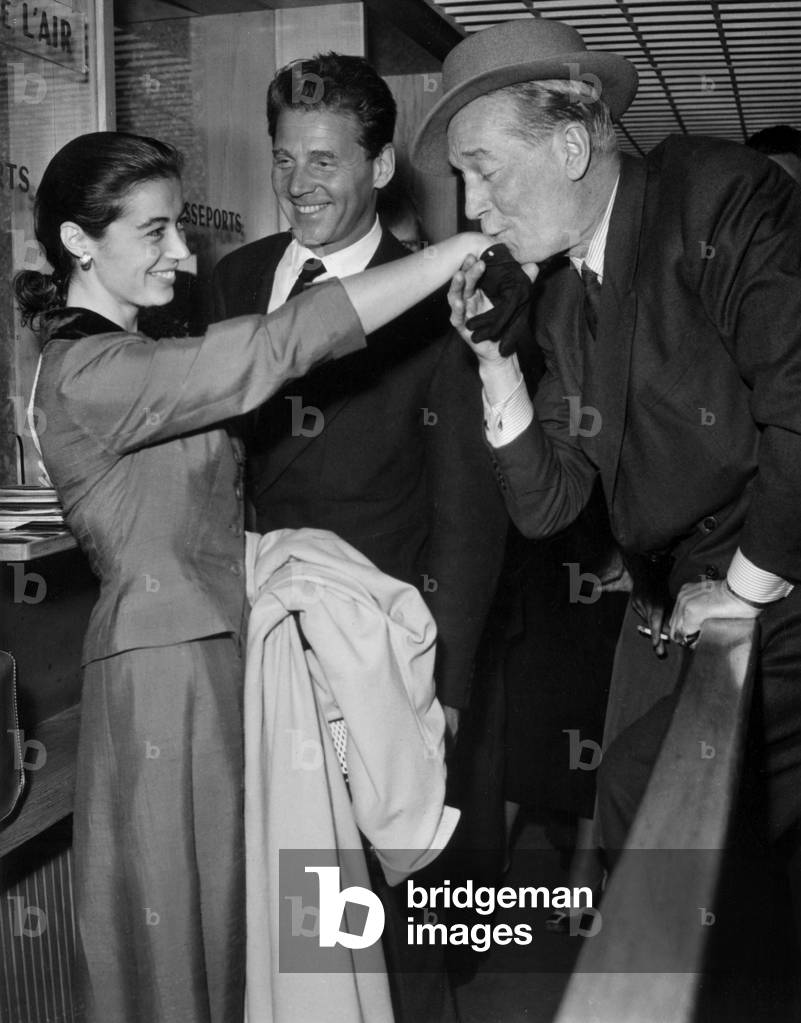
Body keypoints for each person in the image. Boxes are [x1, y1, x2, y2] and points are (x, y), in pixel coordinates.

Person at [14, 129, 490, 1023]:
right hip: (166, 673)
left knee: (242, 924)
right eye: (154, 232)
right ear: (79, 242)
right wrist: (452, 254)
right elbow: (275, 347)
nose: (183, 253)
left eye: (178, 230)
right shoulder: (89, 372)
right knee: (184, 933)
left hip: (216, 656)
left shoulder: (138, 353)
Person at [411, 18, 801, 883]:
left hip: (777, 579)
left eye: (486, 170)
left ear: (574, 145)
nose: (473, 206)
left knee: (641, 801)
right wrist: (494, 358)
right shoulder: (557, 297)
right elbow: (546, 503)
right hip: (689, 607)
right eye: (462, 180)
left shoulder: (718, 196)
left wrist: (740, 592)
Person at [213, 52, 506, 751]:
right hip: (246, 640)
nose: (297, 186)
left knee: (343, 856)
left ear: (379, 168)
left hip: (373, 651)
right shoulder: (234, 279)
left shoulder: (443, 300)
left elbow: (468, 513)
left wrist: (445, 680)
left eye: (322, 162)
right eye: (283, 161)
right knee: (265, 850)